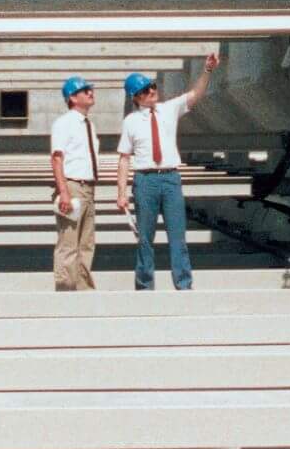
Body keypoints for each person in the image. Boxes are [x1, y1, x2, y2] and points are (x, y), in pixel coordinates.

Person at [114, 53, 219, 291]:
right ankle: (144, 285)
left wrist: (207, 71)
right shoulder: (130, 122)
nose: (152, 91)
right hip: (145, 181)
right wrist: (121, 193)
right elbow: (123, 159)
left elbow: (195, 95)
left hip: (170, 179)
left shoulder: (169, 109)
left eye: (152, 87)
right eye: (146, 90)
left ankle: (183, 284)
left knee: (178, 236)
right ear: (137, 97)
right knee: (144, 239)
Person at [48, 76, 103, 292]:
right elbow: (57, 158)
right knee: (69, 243)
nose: (90, 93)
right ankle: (65, 288)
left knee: (86, 243)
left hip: (88, 188)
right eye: (85, 90)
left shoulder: (89, 124)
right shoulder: (64, 123)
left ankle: (83, 288)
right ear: (72, 97)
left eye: (90, 89)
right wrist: (63, 193)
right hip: (72, 186)